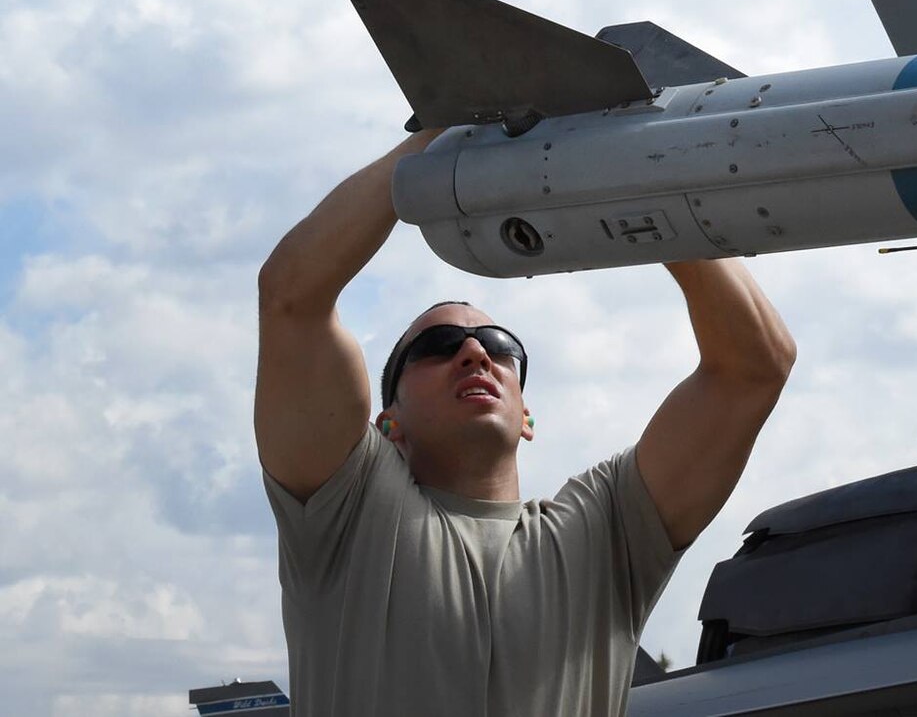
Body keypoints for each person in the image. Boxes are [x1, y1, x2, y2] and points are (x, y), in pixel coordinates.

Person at [254, 130, 796, 716]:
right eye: (437, 346)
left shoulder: (607, 529)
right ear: (388, 424)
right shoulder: (346, 514)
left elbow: (755, 365)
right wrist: (443, 135)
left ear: (527, 416)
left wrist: (635, 168)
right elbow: (292, 297)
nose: (474, 353)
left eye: (497, 344)